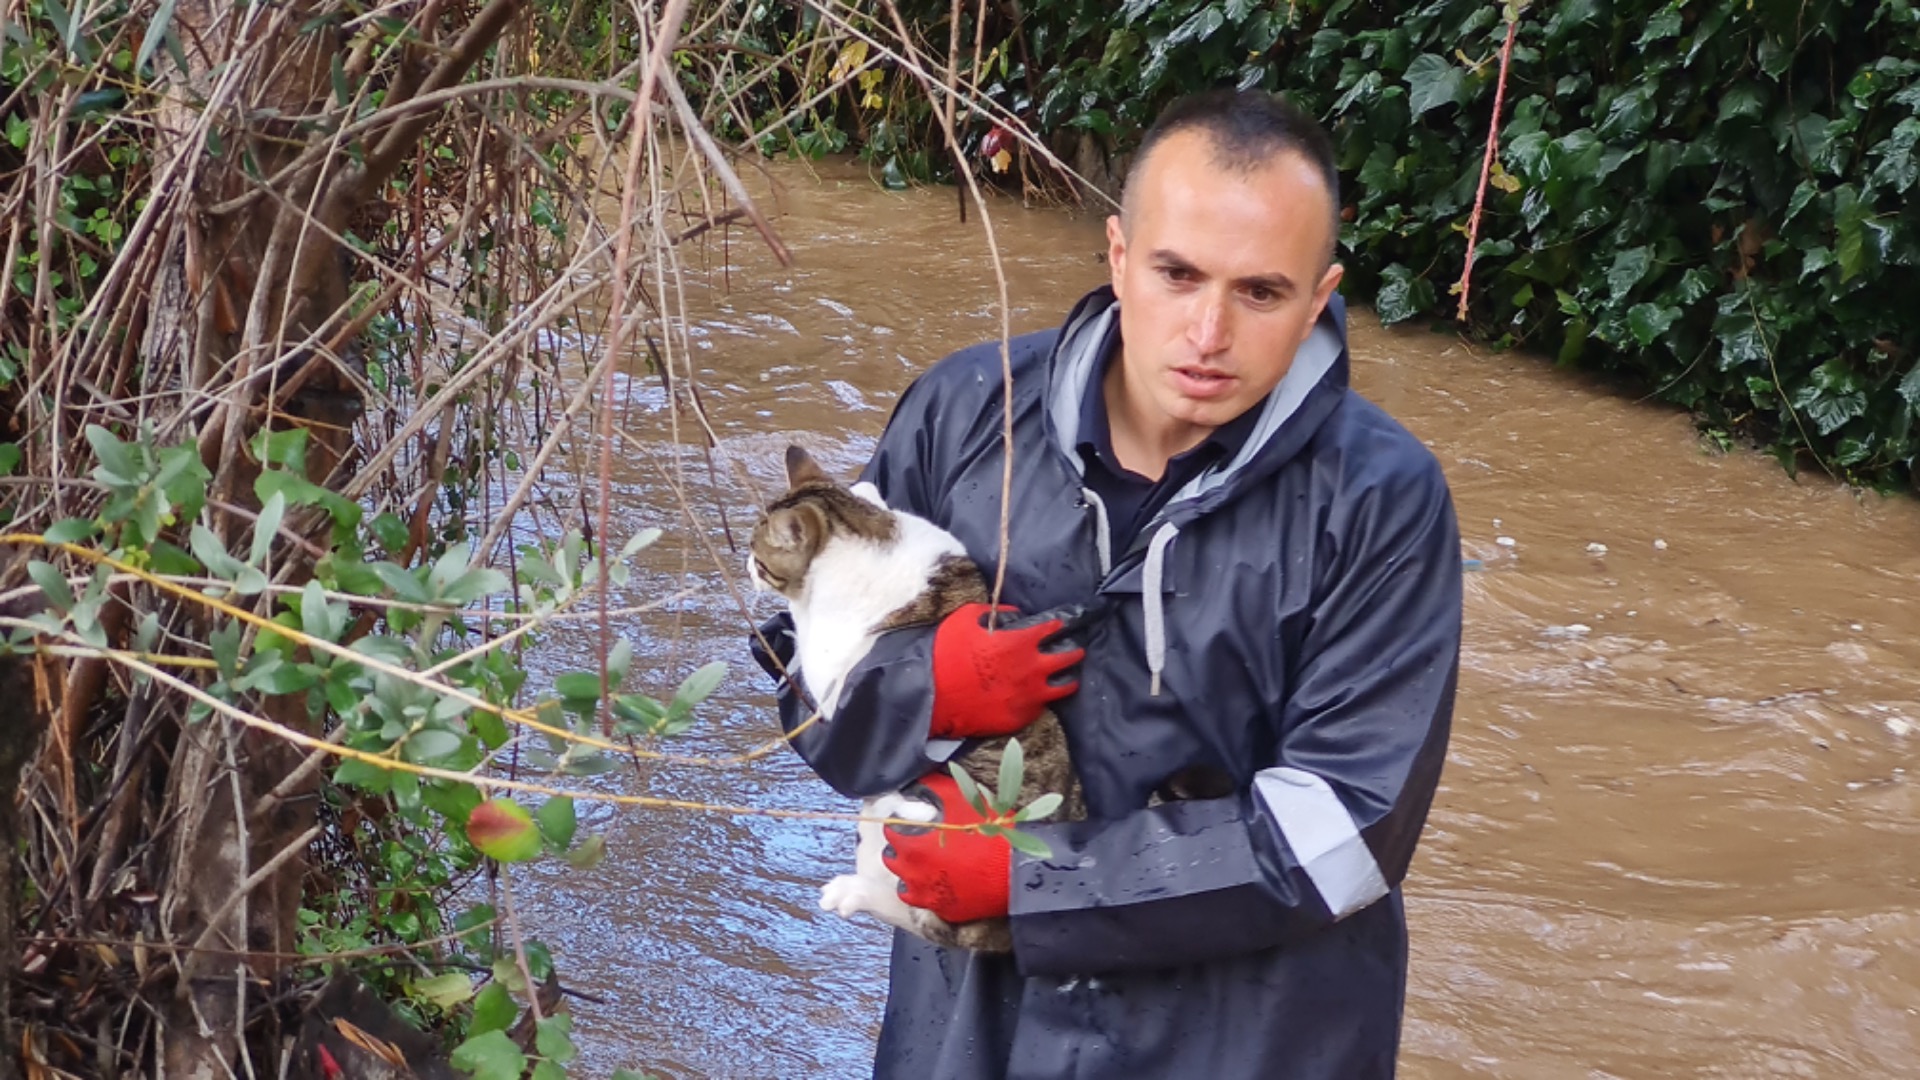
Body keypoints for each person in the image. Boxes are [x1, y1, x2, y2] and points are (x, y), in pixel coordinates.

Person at [752, 88, 1462, 1080]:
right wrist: (925, 690)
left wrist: (1039, 882)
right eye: (1177, 273)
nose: (1208, 332)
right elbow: (791, 649)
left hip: (1252, 1041)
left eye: (1260, 293)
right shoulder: (962, 414)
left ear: (1318, 295)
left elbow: (1345, 832)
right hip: (969, 1034)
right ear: (1120, 256)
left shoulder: (1382, 502)